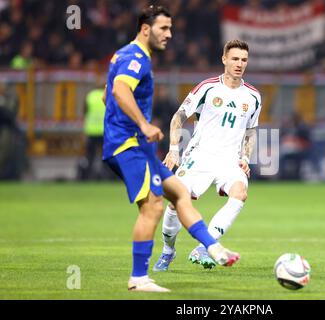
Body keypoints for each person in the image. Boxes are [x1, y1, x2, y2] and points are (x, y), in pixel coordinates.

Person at [102, 5, 239, 293]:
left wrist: (123, 117)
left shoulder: (124, 55)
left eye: (170, 28)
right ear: (145, 29)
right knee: (152, 207)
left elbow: (107, 95)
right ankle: (139, 278)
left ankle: (213, 248)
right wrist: (143, 123)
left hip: (136, 144)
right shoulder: (136, 57)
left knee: (178, 192)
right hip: (128, 145)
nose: (169, 34)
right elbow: (118, 91)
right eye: (164, 28)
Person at [153, 39, 261, 271]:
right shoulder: (208, 87)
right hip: (200, 156)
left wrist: (245, 157)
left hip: (230, 160)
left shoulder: (253, 97)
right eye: (234, 59)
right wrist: (173, 150)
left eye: (243, 60)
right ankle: (167, 251)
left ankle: (206, 246)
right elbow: (178, 117)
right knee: (174, 203)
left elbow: (251, 130)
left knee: (240, 193)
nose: (239, 64)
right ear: (224, 59)